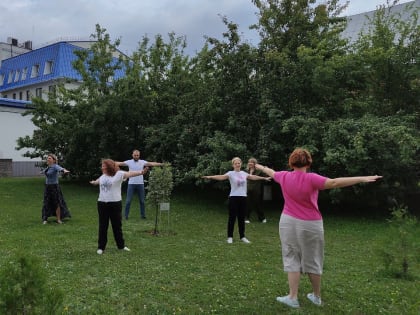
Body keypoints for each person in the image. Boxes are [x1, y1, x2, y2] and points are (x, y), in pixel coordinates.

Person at [255, 148, 382, 308]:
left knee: (291, 256)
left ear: (291, 162)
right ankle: (316, 296)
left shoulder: (284, 176)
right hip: (310, 224)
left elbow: (271, 172)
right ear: (308, 162)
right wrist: (362, 178)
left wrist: (259, 166)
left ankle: (293, 298)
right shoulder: (312, 178)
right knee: (313, 258)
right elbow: (335, 182)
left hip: (288, 222)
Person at [202, 157, 271, 244]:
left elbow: (253, 177)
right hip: (233, 198)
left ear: (241, 164)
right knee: (232, 218)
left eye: (239, 163)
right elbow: (221, 177)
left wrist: (264, 178)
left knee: (241, 218)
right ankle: (230, 237)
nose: (238, 164)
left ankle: (242, 237)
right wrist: (210, 177)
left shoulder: (244, 173)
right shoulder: (230, 173)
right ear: (233, 165)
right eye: (236, 163)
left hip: (243, 198)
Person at [90, 159, 148, 255]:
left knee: (117, 226)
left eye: (104, 166)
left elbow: (130, 174)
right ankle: (101, 247)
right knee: (103, 226)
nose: (102, 167)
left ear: (109, 166)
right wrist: (93, 182)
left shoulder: (119, 174)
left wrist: (141, 172)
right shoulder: (103, 176)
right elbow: (97, 182)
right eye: (102, 166)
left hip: (115, 204)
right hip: (102, 203)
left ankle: (121, 246)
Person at [116, 149, 164, 220]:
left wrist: (161, 164)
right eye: (135, 155)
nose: (136, 156)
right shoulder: (129, 162)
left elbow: (151, 164)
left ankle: (143, 216)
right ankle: (125, 216)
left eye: (137, 155)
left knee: (142, 201)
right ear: (132, 155)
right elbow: (119, 163)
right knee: (128, 201)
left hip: (140, 184)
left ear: (139, 155)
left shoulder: (142, 162)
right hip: (131, 184)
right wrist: (108, 163)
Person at [41, 153, 71, 224]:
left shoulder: (55, 166)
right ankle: (45, 219)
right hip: (47, 187)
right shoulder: (48, 167)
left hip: (54, 187)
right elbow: (44, 172)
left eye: (49, 158)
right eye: (47, 158)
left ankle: (58, 219)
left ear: (54, 160)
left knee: (57, 203)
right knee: (46, 203)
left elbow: (61, 169)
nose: (48, 159)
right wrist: (41, 172)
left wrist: (65, 171)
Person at [245, 157, 267, 224]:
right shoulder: (246, 171)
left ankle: (262, 218)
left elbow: (265, 176)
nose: (250, 163)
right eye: (249, 162)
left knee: (258, 204)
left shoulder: (259, 171)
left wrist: (265, 169)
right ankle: (246, 218)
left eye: (252, 162)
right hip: (247, 190)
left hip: (256, 190)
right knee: (247, 204)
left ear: (255, 164)